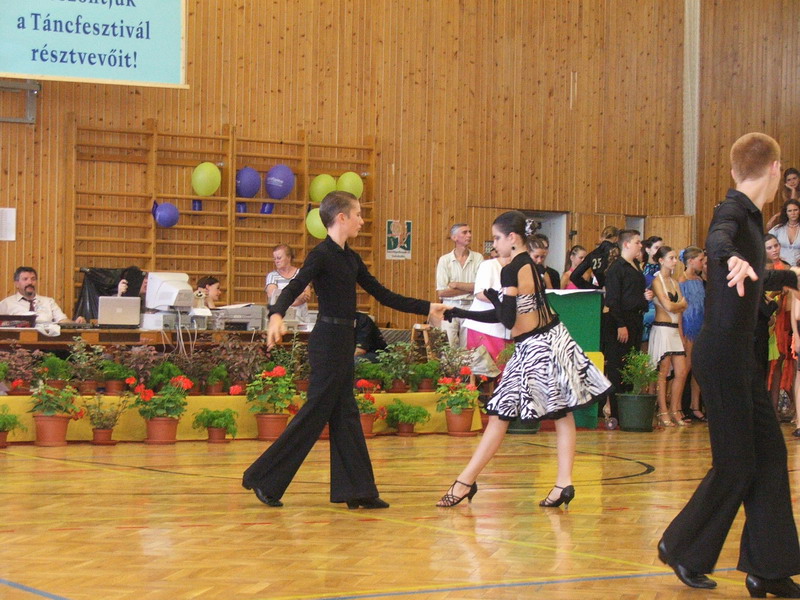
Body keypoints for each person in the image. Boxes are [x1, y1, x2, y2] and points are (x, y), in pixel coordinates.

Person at [658, 132, 800, 597]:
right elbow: (718, 239)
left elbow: (754, 277)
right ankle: (681, 546)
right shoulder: (733, 212)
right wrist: (729, 256)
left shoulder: (752, 219)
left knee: (770, 457)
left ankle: (769, 569)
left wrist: (790, 275)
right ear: (776, 170)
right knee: (737, 463)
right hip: (722, 356)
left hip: (739, 358)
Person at [243, 191, 445, 509]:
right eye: (358, 214)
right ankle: (264, 478)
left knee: (346, 415)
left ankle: (357, 490)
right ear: (341, 217)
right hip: (327, 341)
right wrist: (276, 315)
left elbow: (383, 294)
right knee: (315, 413)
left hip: (343, 340)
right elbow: (294, 286)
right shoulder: (321, 254)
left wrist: (427, 307)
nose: (362, 221)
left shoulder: (351, 258)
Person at [434, 211, 611, 509]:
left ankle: (465, 482)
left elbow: (506, 318)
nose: (494, 245)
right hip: (551, 339)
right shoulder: (530, 265)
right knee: (557, 412)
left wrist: (492, 295)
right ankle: (563, 483)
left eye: (497, 238)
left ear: (512, 238)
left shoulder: (511, 269)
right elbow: (510, 315)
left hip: (536, 346)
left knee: (505, 414)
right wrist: (459, 312)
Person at [601, 230, 653, 420]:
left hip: (636, 319)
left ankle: (629, 409)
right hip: (620, 321)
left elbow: (631, 293)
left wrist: (645, 297)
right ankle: (616, 412)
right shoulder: (617, 268)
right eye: (637, 242)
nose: (640, 245)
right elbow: (613, 300)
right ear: (626, 244)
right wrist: (620, 324)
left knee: (631, 364)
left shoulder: (636, 265)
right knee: (617, 366)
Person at [648, 246, 689, 428]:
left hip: (674, 330)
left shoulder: (674, 282)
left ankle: (674, 409)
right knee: (663, 371)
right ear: (661, 260)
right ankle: (662, 410)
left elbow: (682, 306)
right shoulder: (657, 281)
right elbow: (669, 306)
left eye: (675, 258)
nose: (674, 261)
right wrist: (679, 305)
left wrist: (678, 306)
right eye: (671, 258)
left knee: (681, 371)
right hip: (662, 329)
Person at [435, 223, 483, 346]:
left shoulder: (478, 258)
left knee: (469, 348)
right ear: (454, 237)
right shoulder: (445, 260)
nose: (469, 235)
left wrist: (456, 284)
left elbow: (480, 287)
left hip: (471, 306)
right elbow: (442, 292)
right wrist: (470, 288)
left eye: (470, 232)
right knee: (449, 347)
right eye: (464, 232)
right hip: (449, 306)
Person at [764, 234, 794, 416]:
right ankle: (766, 409)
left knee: (780, 365)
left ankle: (775, 408)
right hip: (765, 322)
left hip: (782, 320)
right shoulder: (760, 270)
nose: (774, 250)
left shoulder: (787, 269)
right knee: (766, 366)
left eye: (776, 245)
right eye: (769, 247)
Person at [677, 246, 707, 422]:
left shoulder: (700, 280)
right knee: (685, 368)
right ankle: (678, 406)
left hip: (700, 326)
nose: (703, 263)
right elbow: (680, 310)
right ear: (690, 261)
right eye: (700, 260)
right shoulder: (682, 280)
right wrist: (681, 333)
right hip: (689, 326)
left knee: (698, 368)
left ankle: (695, 405)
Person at [0, 266, 85, 324]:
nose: (30, 282)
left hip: (47, 341)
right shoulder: (6, 303)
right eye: (25, 279)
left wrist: (76, 323)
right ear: (16, 284)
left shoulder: (48, 302)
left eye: (33, 279)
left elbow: (62, 320)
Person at [265, 244, 311, 321]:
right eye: (274, 259)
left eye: (279, 258)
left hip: (302, 319)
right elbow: (274, 297)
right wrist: (298, 295)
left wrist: (284, 299)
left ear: (289, 257)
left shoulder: (301, 273)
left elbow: (306, 296)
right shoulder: (272, 276)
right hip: (280, 318)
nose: (276, 261)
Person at [569, 225, 619, 289]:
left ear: (601, 238)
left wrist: (594, 288)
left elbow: (574, 276)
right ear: (616, 238)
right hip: (618, 291)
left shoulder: (592, 254)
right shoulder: (616, 252)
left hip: (603, 291)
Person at [768, 199, 800, 266]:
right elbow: (766, 241)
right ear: (786, 213)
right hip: (780, 265)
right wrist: (775, 257)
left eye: (795, 210)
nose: (793, 213)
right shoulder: (778, 228)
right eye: (790, 211)